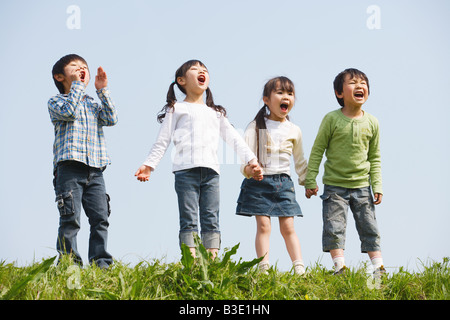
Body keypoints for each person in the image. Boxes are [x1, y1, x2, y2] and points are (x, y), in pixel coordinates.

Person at [135, 59, 262, 259]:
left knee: (211, 217)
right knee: (189, 219)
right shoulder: (176, 108)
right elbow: (162, 141)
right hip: (185, 172)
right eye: (195, 69)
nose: (201, 71)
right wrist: (149, 165)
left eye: (204, 70)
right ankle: (191, 261)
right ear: (181, 81)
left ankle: (211, 262)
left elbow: (234, 138)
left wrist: (251, 160)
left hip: (211, 173)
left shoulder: (215, 113)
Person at [305, 68, 385, 275]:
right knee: (334, 227)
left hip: (362, 186)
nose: (359, 86)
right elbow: (317, 150)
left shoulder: (372, 122)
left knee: (369, 226)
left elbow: (374, 158)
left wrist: (377, 185)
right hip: (335, 186)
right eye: (352, 82)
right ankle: (340, 267)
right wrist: (310, 179)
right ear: (339, 93)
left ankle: (378, 267)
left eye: (363, 83)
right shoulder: (331, 119)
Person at [48, 54, 118, 269]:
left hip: (96, 170)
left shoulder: (92, 104)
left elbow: (111, 118)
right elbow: (69, 112)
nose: (81, 69)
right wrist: (78, 86)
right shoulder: (56, 101)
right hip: (69, 168)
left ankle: (101, 264)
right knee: (71, 218)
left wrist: (102, 90)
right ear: (59, 76)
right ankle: (70, 265)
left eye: (84, 67)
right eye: (75, 66)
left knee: (101, 218)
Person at [236, 77, 307, 275]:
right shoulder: (256, 125)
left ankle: (299, 267)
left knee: (288, 227)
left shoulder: (294, 130)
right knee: (264, 225)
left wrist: (306, 181)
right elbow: (245, 158)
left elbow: (300, 160)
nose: (286, 97)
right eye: (280, 93)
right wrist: (251, 169)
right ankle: (263, 267)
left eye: (290, 94)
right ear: (266, 100)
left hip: (283, 183)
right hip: (260, 182)